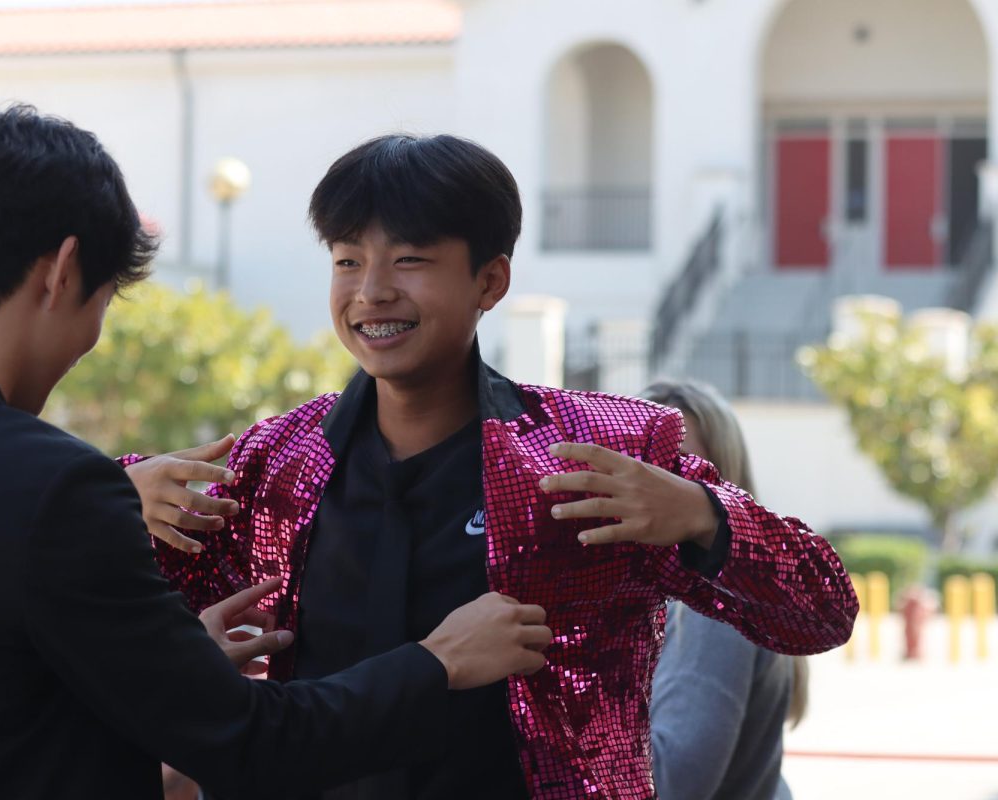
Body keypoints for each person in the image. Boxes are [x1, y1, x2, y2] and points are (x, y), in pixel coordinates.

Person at [0, 107, 554, 800]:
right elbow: (253, 741)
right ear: (62, 272)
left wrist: (162, 666)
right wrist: (438, 662)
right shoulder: (57, 484)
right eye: (102, 303)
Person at [127, 134, 858, 799]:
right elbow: (68, 601)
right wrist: (118, 497)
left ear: (491, 280)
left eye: (409, 259)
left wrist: (702, 514)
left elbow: (822, 608)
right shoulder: (275, 464)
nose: (371, 290)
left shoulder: (596, 454)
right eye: (348, 260)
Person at [643, 379, 810, 800]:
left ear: (725, 494)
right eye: (638, 462)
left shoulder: (707, 607)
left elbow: (670, 784)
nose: (651, 486)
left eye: (679, 470)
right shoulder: (673, 593)